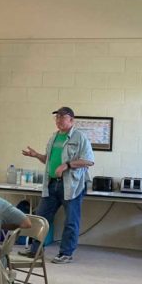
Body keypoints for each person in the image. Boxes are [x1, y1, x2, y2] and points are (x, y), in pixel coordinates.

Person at [22, 106, 95, 264]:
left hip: (72, 186)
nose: (59, 120)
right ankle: (36, 250)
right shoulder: (54, 137)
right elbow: (47, 160)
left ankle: (66, 253)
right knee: (41, 216)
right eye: (57, 117)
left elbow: (89, 160)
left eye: (63, 117)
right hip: (52, 184)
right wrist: (36, 156)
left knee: (71, 221)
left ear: (71, 120)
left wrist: (67, 165)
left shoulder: (80, 137)